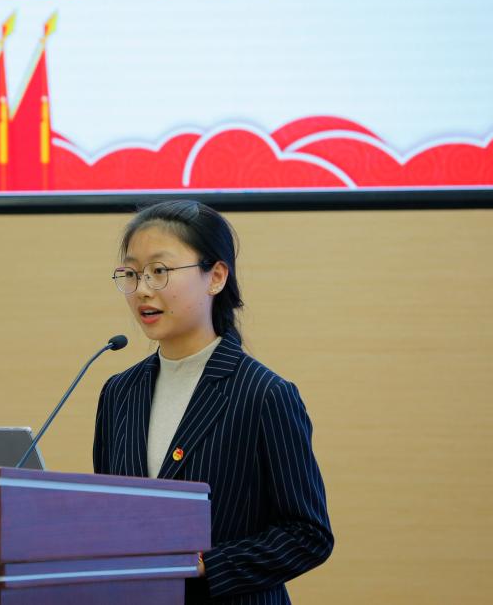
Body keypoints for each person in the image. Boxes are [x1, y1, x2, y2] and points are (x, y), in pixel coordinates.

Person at [93, 200, 333, 605]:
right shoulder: (119, 392)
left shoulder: (263, 393)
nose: (143, 289)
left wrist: (207, 565)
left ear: (216, 277)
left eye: (159, 271)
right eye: (132, 274)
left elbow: (308, 534)